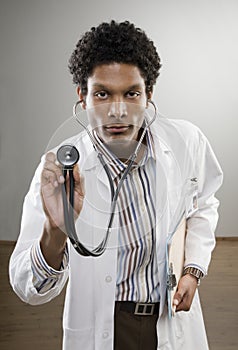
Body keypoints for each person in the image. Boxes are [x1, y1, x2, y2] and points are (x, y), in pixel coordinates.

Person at [9, 20, 223, 350]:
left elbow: (203, 203)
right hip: (105, 328)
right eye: (103, 94)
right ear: (83, 97)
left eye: (132, 93)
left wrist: (192, 270)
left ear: (149, 93)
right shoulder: (59, 167)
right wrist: (54, 233)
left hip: (172, 321)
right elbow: (28, 288)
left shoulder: (186, 142)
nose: (118, 110)